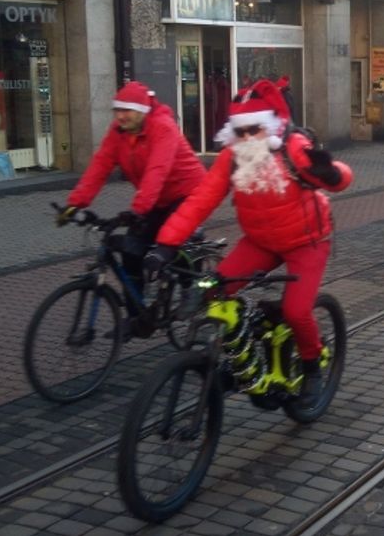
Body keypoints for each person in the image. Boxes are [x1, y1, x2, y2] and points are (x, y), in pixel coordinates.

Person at [145, 78, 353, 407]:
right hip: (260, 242)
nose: (245, 138)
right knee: (211, 288)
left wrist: (332, 173)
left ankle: (312, 365)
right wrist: (165, 245)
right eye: (239, 132)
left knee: (297, 312)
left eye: (252, 130)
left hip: (306, 242)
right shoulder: (233, 157)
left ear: (268, 127)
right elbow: (200, 200)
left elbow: (339, 176)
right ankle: (245, 353)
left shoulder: (292, 148)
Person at [58, 81, 206, 295]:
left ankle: (191, 289)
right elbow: (100, 165)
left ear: (142, 111)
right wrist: (75, 204)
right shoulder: (119, 132)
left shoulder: (163, 127)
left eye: (127, 110)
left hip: (187, 194)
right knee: (131, 250)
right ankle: (137, 316)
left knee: (169, 244)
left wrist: (138, 210)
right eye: (117, 110)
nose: (120, 116)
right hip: (155, 199)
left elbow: (157, 170)